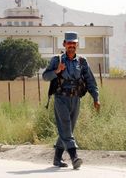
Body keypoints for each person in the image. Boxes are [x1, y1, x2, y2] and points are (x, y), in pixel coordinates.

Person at [42, 31, 100, 169]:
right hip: (61, 98)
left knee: (68, 129)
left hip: (75, 99)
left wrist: (96, 98)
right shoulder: (57, 60)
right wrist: (57, 71)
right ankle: (74, 158)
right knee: (66, 126)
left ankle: (57, 158)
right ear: (64, 44)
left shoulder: (82, 61)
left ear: (77, 45)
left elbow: (90, 80)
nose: (71, 46)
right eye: (69, 43)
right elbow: (45, 76)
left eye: (74, 43)